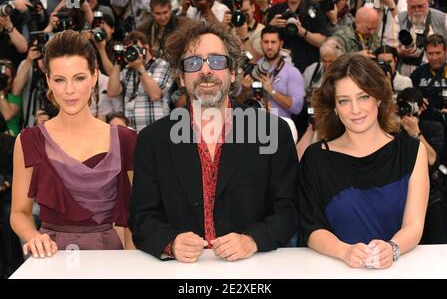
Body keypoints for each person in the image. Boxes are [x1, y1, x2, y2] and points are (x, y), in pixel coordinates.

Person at [129, 21, 298, 262]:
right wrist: (171, 242)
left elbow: (288, 210)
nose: (206, 71)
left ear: (232, 73)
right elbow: (141, 216)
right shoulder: (152, 140)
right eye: (194, 63)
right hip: (181, 273)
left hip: (252, 269)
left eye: (217, 61)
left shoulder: (273, 132)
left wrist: (252, 240)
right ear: (181, 77)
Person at [10, 30, 137, 258]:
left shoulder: (125, 140)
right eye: (59, 80)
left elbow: (134, 215)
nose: (69, 90)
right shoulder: (29, 141)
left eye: (79, 77)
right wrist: (33, 237)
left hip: (108, 259)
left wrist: (132, 265)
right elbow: (19, 212)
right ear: (48, 80)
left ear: (94, 76)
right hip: (51, 257)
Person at [299, 54, 429, 269]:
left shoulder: (412, 151)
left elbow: (414, 225)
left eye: (363, 97)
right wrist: (345, 251)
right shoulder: (316, 158)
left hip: (399, 270)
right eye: (344, 101)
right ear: (334, 107)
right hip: (336, 270)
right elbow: (311, 228)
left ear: (378, 97)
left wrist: (392, 248)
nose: (355, 110)